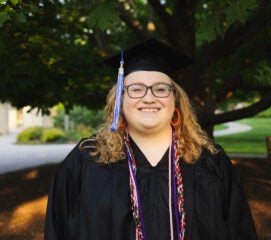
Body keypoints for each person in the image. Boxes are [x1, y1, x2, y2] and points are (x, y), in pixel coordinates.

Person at [44, 39, 257, 240]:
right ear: (119, 99)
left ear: (176, 100)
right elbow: (57, 229)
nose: (149, 97)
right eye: (136, 89)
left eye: (161, 89)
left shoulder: (210, 161)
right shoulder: (87, 159)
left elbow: (240, 231)